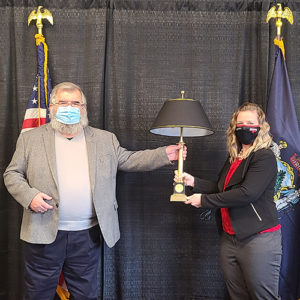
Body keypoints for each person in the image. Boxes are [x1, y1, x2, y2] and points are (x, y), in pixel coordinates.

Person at [4, 82, 185, 300]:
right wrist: (29, 196)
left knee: (86, 293)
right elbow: (11, 174)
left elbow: (129, 160)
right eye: (63, 103)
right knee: (38, 293)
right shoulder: (30, 139)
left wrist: (165, 154)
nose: (69, 107)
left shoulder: (104, 139)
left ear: (84, 109)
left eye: (75, 103)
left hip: (87, 235)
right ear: (52, 107)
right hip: (43, 232)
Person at [174, 102, 282, 300]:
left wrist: (204, 201)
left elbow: (246, 193)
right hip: (229, 238)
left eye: (250, 122)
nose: (244, 127)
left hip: (258, 238)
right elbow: (222, 188)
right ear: (234, 127)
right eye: (240, 123)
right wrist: (193, 182)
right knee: (237, 295)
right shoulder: (235, 156)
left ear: (261, 126)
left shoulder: (264, 157)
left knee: (263, 296)